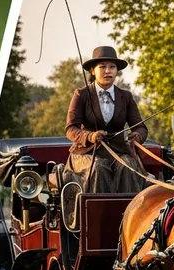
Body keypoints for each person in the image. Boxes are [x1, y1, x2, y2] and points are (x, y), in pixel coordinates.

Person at [63, 45, 148, 196]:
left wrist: (137, 136)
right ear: (93, 71)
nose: (108, 71)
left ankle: (128, 210)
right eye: (102, 67)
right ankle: (96, 210)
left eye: (112, 67)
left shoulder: (126, 97)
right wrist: (90, 136)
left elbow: (140, 127)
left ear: (116, 71)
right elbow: (70, 129)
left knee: (128, 166)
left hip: (119, 152)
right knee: (98, 167)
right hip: (87, 153)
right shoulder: (81, 95)